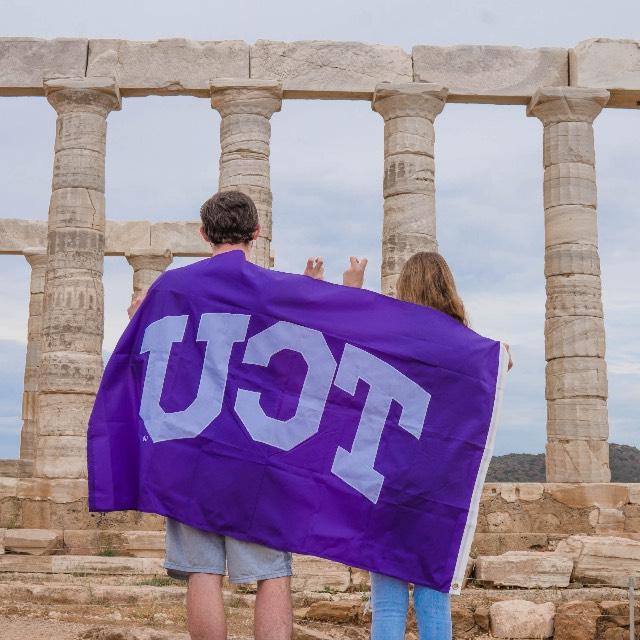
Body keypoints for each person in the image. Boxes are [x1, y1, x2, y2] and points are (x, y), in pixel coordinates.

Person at [126, 189, 367, 640]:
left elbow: (143, 357)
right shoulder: (276, 289)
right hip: (258, 454)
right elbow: (331, 335)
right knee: (272, 572)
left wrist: (137, 317)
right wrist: (349, 291)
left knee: (201, 572)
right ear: (256, 232)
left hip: (190, 448)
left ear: (202, 233)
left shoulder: (171, 288)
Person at [345, 251, 512, 640]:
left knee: (387, 602)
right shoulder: (466, 345)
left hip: (385, 479)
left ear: (405, 288)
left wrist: (352, 285)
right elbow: (502, 363)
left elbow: (347, 335)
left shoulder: (391, 334)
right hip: (439, 488)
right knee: (433, 601)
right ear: (447, 288)